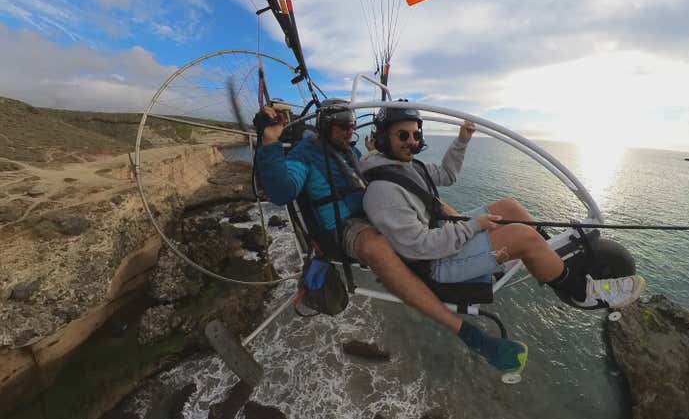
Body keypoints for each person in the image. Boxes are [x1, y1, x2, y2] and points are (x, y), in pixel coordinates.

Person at [254, 99, 528, 377]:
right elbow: (281, 191)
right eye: (342, 127)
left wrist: (384, 157)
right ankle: (467, 332)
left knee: (431, 202)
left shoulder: (349, 149)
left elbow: (369, 174)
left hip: (369, 210)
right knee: (377, 246)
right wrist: (269, 142)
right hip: (344, 226)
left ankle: (474, 254)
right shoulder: (305, 155)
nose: (350, 132)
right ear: (325, 126)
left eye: (351, 126)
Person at [361, 106, 647, 341]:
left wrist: (463, 139)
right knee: (522, 236)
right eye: (403, 135)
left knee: (510, 206)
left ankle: (551, 260)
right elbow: (418, 247)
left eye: (415, 133)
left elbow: (447, 174)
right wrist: (472, 226)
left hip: (442, 237)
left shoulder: (409, 167)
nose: (412, 141)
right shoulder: (383, 191)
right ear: (384, 138)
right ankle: (581, 293)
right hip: (436, 264)